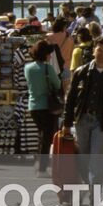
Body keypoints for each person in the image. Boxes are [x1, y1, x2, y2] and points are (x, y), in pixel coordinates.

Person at [61, 38, 103, 192]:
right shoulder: (81, 73)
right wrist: (66, 123)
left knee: (98, 159)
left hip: (102, 122)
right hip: (82, 120)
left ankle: (94, 192)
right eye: (99, 50)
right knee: (83, 158)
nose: (101, 54)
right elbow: (70, 99)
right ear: (93, 51)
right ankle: (88, 183)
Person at [24, 40, 62, 175]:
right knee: (46, 138)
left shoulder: (28, 68)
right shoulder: (48, 68)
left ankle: (39, 162)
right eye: (49, 54)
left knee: (41, 135)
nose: (50, 56)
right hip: (47, 106)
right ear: (45, 54)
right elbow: (57, 84)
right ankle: (42, 167)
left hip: (33, 105)